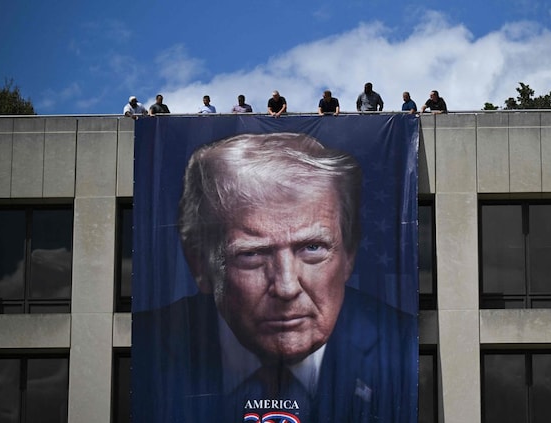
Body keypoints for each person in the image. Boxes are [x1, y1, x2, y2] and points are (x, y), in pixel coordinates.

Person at [133, 133, 416, 423]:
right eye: (253, 254)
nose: (286, 287)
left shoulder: (406, 348)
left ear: (349, 254)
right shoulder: (143, 352)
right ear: (199, 263)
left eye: (312, 248)